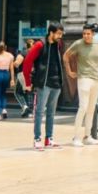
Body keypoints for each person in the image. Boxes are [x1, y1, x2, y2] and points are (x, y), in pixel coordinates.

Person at [22, 22, 64, 150]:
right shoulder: (40, 44)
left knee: (51, 112)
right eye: (58, 34)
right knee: (39, 111)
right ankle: (37, 139)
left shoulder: (58, 45)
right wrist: (28, 83)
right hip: (43, 83)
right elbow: (27, 62)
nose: (60, 36)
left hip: (56, 83)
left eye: (61, 34)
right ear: (51, 33)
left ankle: (49, 138)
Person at [63, 24, 98, 147]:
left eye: (88, 34)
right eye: (84, 33)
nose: (86, 36)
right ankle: (76, 137)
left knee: (91, 109)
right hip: (83, 78)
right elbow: (66, 56)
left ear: (93, 34)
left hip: (96, 79)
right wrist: (69, 71)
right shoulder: (78, 44)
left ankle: (87, 136)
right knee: (83, 108)